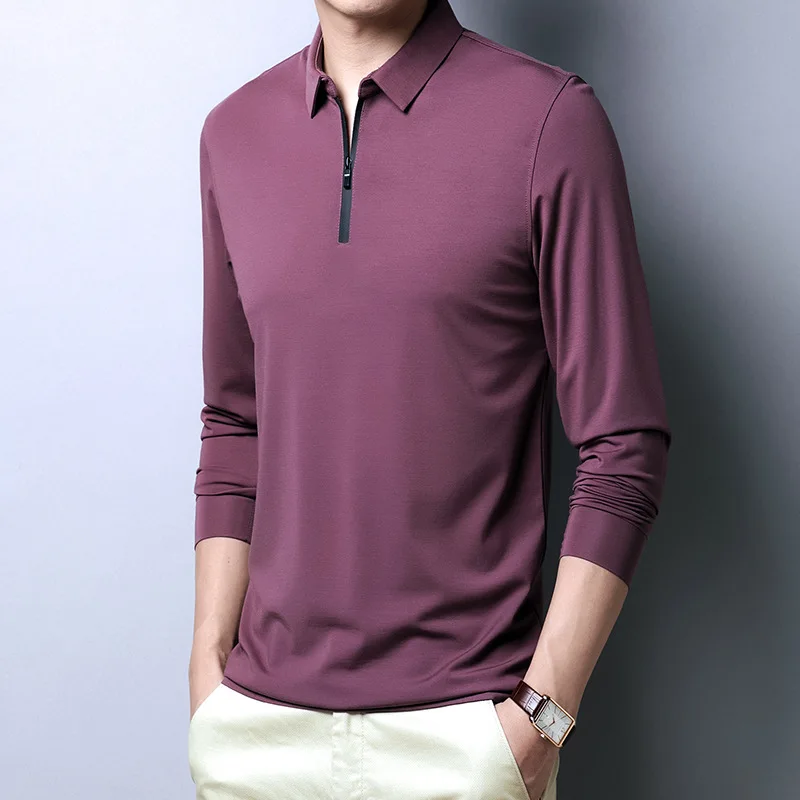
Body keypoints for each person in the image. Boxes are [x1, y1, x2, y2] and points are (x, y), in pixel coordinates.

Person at [187, 0, 672, 798]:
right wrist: (209, 667)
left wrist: (542, 716)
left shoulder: (549, 121)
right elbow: (236, 420)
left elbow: (625, 441)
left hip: (463, 740)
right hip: (257, 739)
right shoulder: (233, 134)